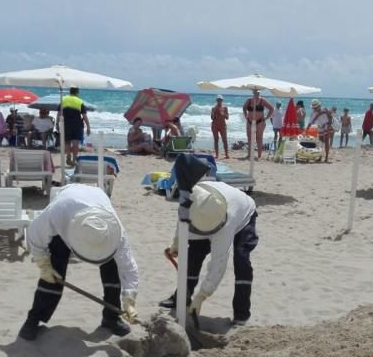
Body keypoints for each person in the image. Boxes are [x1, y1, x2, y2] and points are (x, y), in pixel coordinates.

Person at [19, 183, 139, 340]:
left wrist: (129, 300)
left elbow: (128, 268)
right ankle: (33, 319)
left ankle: (111, 317)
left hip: (96, 201)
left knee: (114, 267)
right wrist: (43, 264)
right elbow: (34, 236)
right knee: (55, 270)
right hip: (68, 209)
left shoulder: (116, 233)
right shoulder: (57, 214)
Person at [159, 180, 258, 326]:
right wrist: (176, 244)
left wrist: (202, 296)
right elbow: (181, 223)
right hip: (206, 218)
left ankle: (241, 313)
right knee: (193, 256)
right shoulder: (192, 200)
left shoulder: (226, 225)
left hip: (243, 216)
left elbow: (218, 263)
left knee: (241, 261)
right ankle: (180, 298)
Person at [60, 87, 90, 167]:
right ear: (77, 92)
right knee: (75, 143)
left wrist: (57, 123)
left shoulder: (63, 99)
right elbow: (84, 115)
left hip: (66, 124)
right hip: (77, 124)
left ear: (70, 92)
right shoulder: (79, 101)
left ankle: (69, 155)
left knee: (67, 142)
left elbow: (59, 113)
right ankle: (74, 159)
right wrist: (88, 127)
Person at [241, 89, 273, 160]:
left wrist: (267, 117)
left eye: (258, 93)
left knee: (259, 138)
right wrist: (246, 115)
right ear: (253, 93)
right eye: (256, 93)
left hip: (260, 122)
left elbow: (271, 108)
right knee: (250, 138)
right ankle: (249, 154)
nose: (257, 94)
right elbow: (244, 107)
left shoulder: (262, 100)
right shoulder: (249, 100)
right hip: (250, 122)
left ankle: (259, 156)